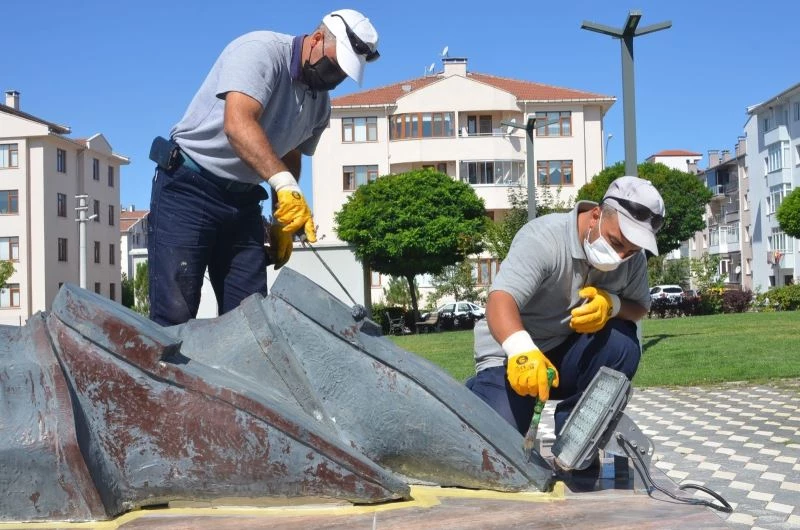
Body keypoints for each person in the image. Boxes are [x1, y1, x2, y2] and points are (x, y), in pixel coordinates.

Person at [146, 9, 380, 326]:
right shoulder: (260, 51)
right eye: (333, 65)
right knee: (174, 316)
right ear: (316, 39)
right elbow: (238, 124)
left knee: (251, 319)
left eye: (342, 74)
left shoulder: (320, 105)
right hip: (189, 187)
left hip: (243, 203)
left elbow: (290, 153)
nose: (334, 77)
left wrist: (282, 216)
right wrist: (285, 186)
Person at [466, 176, 665, 438]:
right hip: (511, 357)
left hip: (568, 355)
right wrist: (521, 350)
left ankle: (575, 443)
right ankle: (477, 396)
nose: (620, 257)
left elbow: (639, 307)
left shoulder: (633, 258)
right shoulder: (544, 237)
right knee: (499, 441)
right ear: (596, 215)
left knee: (622, 344)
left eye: (630, 251)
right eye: (616, 243)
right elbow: (501, 299)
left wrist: (612, 305)